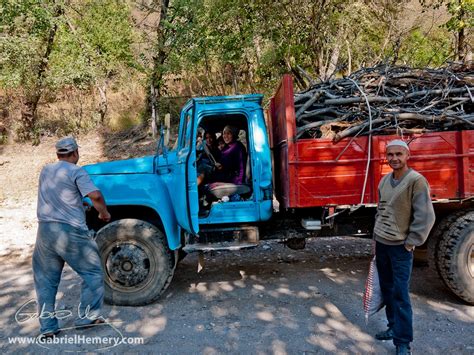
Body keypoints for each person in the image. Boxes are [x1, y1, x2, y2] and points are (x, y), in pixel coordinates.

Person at [33, 137, 111, 338]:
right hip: (71, 232)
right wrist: (103, 213)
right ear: (75, 153)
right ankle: (87, 316)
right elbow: (95, 196)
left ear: (57, 154)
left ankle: (48, 326)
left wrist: (79, 205)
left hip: (45, 232)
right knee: (92, 272)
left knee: (45, 281)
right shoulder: (77, 171)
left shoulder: (46, 170)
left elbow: (59, 196)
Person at [373, 139, 435, 355]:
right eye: (390, 155)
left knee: (400, 294)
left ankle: (402, 342)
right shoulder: (383, 181)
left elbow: (425, 217)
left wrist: (411, 243)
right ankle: (392, 328)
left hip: (401, 248)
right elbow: (380, 212)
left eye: (399, 154)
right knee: (388, 289)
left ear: (408, 156)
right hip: (382, 245)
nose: (394, 159)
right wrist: (376, 239)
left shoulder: (416, 181)